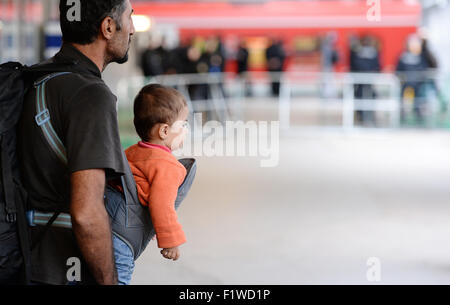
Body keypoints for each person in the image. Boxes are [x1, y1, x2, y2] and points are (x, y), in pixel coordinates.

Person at [17, 0, 135, 285]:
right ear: (108, 27)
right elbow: (86, 213)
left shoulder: (35, 77)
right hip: (64, 269)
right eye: (130, 18)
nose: (132, 30)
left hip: (22, 258)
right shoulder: (90, 95)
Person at [107, 84, 190, 285]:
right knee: (119, 276)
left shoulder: (131, 152)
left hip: (104, 220)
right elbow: (162, 205)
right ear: (164, 130)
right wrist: (171, 240)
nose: (187, 130)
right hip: (122, 235)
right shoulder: (168, 166)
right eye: (184, 124)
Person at [349, 35, 381, 125]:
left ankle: (365, 117)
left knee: (368, 97)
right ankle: (363, 117)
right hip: (363, 82)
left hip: (365, 82)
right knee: (363, 97)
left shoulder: (358, 52)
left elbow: (354, 64)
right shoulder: (371, 52)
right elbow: (377, 66)